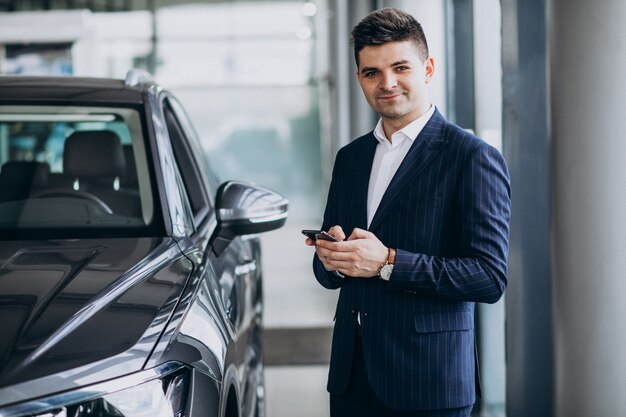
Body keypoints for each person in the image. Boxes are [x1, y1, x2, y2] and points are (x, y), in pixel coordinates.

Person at [305, 7, 511, 417]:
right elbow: (328, 273)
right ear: (359, 77)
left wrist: (387, 262)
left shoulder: (471, 157)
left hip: (428, 382)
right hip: (352, 378)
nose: (388, 83)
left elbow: (489, 277)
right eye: (372, 72)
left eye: (400, 67)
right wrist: (331, 260)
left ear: (429, 68)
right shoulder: (351, 158)